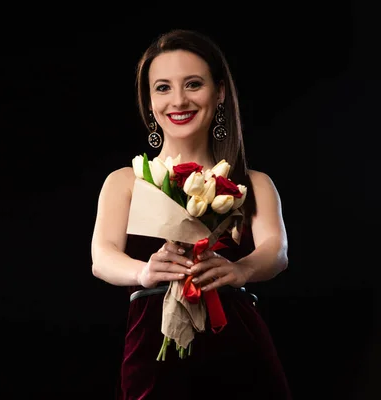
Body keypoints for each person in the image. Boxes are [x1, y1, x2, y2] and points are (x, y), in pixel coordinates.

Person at [91, 29, 292, 399]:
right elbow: (101, 258)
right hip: (152, 346)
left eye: (193, 84)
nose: (178, 100)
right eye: (163, 87)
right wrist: (143, 272)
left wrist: (241, 270)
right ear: (148, 100)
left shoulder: (252, 182)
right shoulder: (126, 182)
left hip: (237, 344)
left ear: (219, 92)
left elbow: (277, 252)